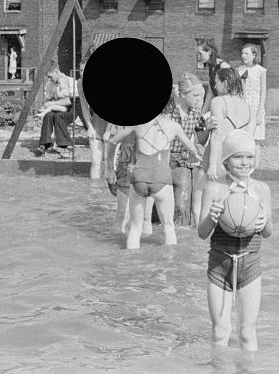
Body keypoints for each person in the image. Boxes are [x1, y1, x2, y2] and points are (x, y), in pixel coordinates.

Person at [197, 129, 273, 353]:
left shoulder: (261, 189)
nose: (245, 162)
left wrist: (263, 222)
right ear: (226, 161)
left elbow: (268, 232)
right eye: (238, 157)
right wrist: (212, 216)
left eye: (249, 157)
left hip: (250, 264)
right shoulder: (213, 188)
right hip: (219, 263)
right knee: (220, 331)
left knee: (247, 333)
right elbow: (202, 233)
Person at [108, 96, 202, 250]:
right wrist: (197, 157)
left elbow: (112, 142)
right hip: (161, 178)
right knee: (169, 226)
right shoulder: (173, 126)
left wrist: (110, 164)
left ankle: (129, 266)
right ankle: (167, 268)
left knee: (135, 228)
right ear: (170, 108)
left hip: (139, 178)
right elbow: (191, 148)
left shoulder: (137, 124)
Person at [170, 72, 211, 226]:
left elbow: (201, 140)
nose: (199, 100)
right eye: (195, 96)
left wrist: (208, 129)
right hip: (164, 161)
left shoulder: (196, 114)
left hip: (184, 163)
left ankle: (182, 235)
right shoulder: (168, 112)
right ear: (181, 94)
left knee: (182, 204)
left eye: (201, 96)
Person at [205, 67, 253, 184]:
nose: (215, 87)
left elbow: (217, 135)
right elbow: (250, 141)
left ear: (225, 83)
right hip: (238, 162)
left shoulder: (218, 101)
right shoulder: (248, 107)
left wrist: (211, 166)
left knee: (208, 197)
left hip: (220, 158)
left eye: (216, 83)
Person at [77, 53, 108, 181]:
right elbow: (84, 108)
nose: (82, 73)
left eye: (85, 70)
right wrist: (89, 127)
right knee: (96, 161)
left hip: (111, 124)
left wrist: (109, 131)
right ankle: (93, 196)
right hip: (96, 122)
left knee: (108, 161)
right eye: (80, 70)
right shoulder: (80, 83)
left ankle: (109, 197)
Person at [33, 67, 77, 157]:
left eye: (50, 76)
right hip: (58, 109)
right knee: (48, 115)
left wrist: (53, 103)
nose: (50, 79)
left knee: (58, 116)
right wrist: (44, 108)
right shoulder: (49, 84)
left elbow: (71, 101)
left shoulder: (71, 81)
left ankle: (64, 146)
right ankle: (44, 144)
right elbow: (48, 100)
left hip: (71, 110)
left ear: (56, 72)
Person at [238, 43, 267, 167]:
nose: (243, 56)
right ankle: (243, 163)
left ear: (254, 55)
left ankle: (255, 165)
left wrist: (260, 112)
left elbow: (263, 91)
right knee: (242, 136)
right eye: (242, 53)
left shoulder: (260, 71)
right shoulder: (239, 70)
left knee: (256, 138)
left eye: (247, 53)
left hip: (255, 106)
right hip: (243, 106)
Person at [197, 40, 230, 113]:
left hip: (226, 106)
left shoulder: (223, 66)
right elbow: (210, 94)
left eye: (200, 54)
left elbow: (233, 90)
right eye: (197, 54)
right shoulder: (210, 67)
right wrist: (202, 114)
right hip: (218, 104)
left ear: (209, 52)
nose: (198, 57)